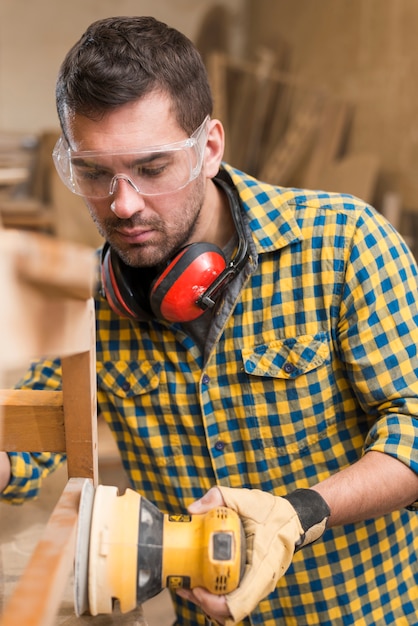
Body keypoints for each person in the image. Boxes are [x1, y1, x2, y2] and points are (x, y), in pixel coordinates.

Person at [1, 15, 418, 626]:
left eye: (151, 168)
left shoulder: (344, 242)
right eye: (93, 172)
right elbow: (28, 442)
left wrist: (301, 511)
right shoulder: (88, 300)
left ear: (210, 147)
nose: (123, 204)